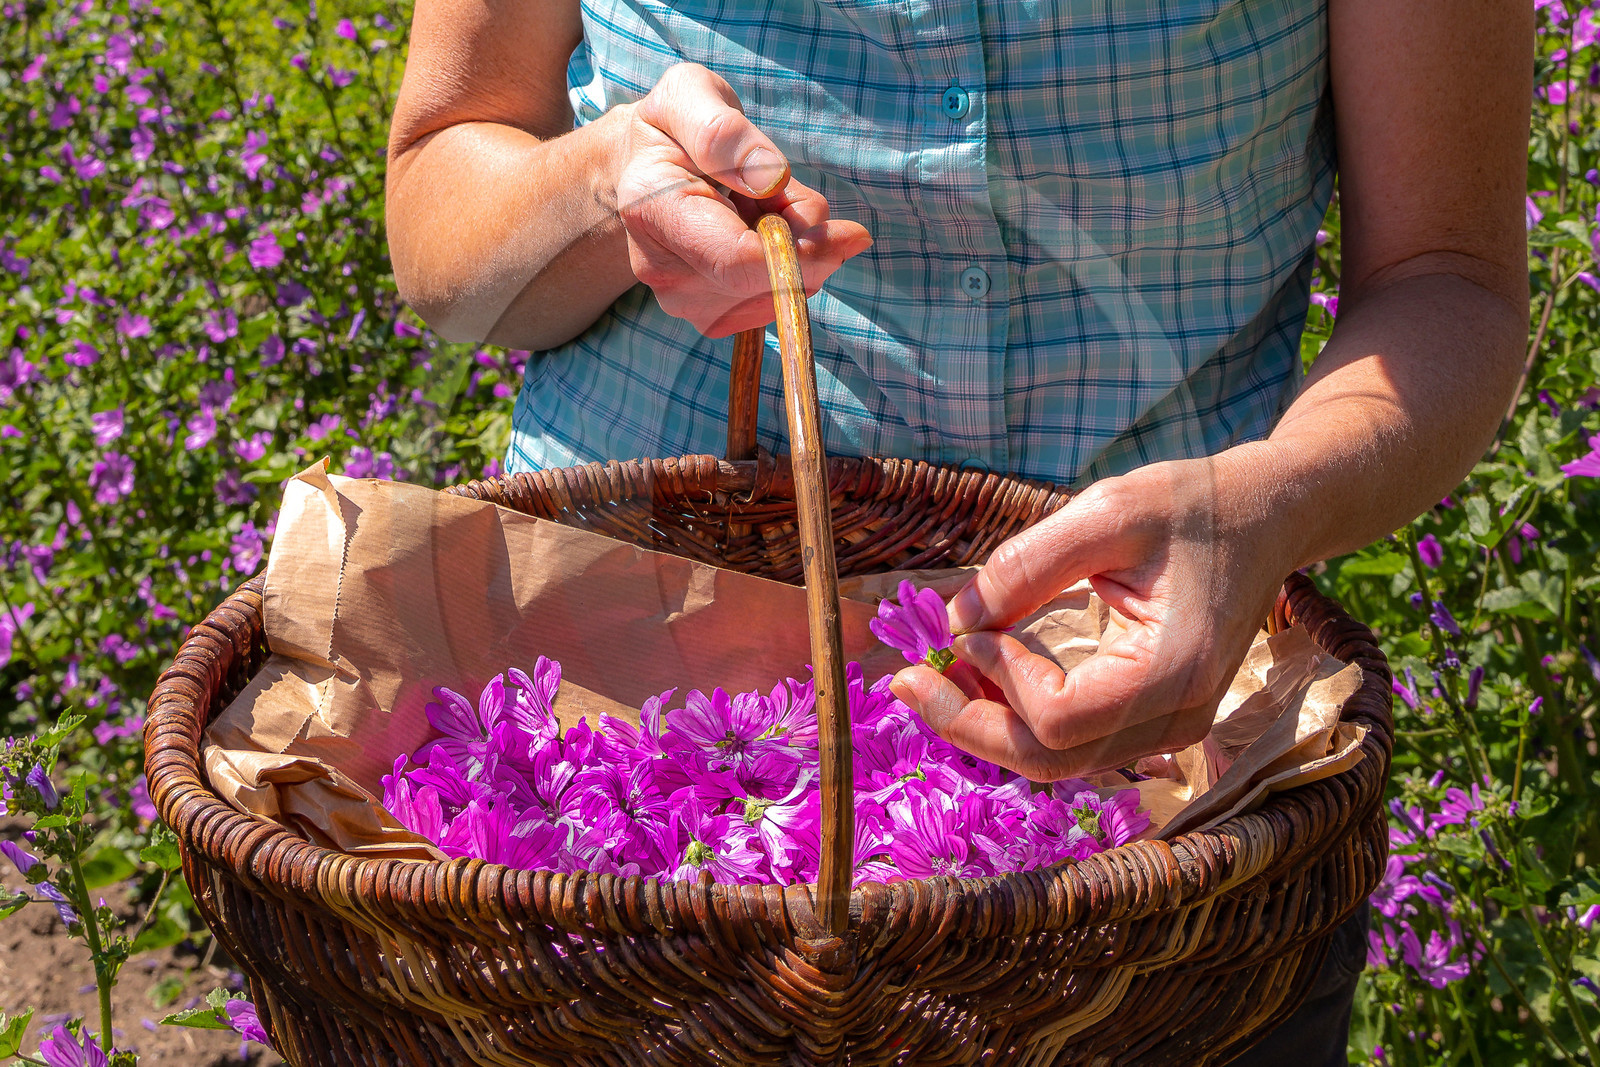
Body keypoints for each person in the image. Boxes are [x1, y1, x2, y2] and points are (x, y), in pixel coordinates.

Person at [384, 1, 1532, 1061]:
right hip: (615, 741)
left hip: (1156, 776)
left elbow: (1446, 273)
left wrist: (1271, 494)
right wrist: (601, 186)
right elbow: (443, 208)